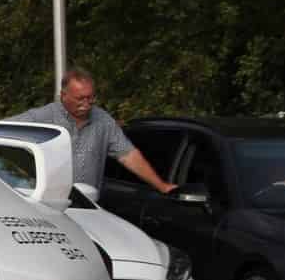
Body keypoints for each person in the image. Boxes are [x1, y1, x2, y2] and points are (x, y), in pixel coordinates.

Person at [17, 67, 174, 195]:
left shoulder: (103, 120)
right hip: (46, 206)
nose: (86, 104)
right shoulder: (43, 117)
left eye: (90, 98)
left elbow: (128, 155)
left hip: (88, 207)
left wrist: (162, 186)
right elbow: (3, 132)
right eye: (80, 98)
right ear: (63, 96)